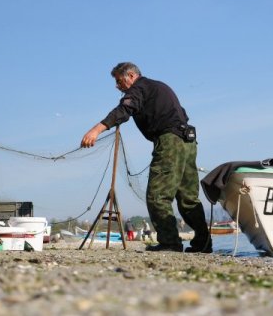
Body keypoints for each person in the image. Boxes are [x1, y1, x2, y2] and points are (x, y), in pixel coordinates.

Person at [81, 62, 212, 253]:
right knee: (188, 198)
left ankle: (170, 243)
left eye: (119, 81)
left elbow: (124, 110)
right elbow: (181, 115)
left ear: (132, 76)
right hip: (188, 142)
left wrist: (96, 130)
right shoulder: (158, 86)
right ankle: (203, 244)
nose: (118, 86)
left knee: (158, 195)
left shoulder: (140, 87)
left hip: (170, 142)